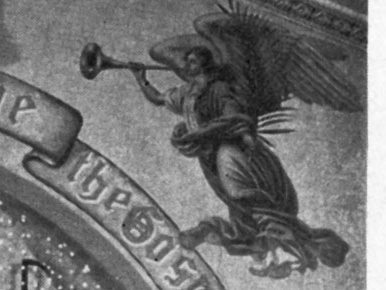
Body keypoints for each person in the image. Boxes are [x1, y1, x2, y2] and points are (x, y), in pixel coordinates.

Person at [133, 45, 347, 277]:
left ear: (205, 65)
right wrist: (140, 78)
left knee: (239, 194)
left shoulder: (220, 90)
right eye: (187, 61)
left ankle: (275, 240)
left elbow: (234, 119)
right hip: (209, 155)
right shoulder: (188, 93)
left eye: (192, 62)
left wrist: (197, 134)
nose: (187, 66)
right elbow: (157, 98)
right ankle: (261, 237)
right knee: (238, 205)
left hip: (231, 146)